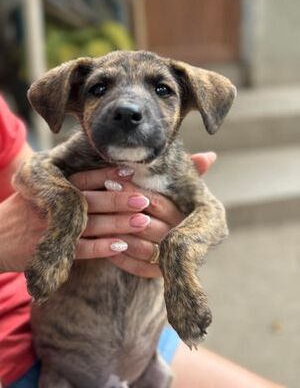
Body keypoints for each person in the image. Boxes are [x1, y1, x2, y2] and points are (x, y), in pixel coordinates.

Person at [0, 95, 283, 388]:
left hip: (146, 347)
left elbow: (212, 214)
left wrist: (174, 248)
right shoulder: (79, 153)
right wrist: (64, 208)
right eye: (100, 88)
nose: (128, 107)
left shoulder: (173, 164)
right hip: (56, 354)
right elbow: (34, 174)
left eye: (161, 89)